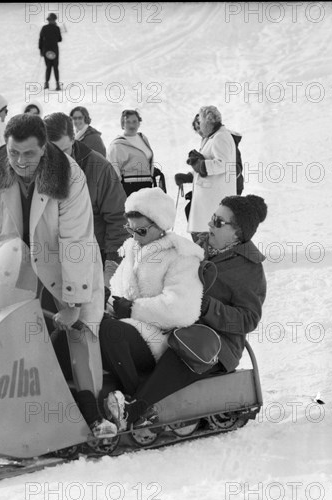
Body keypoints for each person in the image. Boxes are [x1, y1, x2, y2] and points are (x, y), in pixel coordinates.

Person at [0, 114, 116, 438]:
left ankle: (94, 418)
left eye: (29, 154)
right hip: (16, 268)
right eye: (13, 153)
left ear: (44, 148)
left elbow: (75, 240)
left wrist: (74, 299)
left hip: (65, 268)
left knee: (79, 337)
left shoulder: (68, 176)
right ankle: (22, 419)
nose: (20, 161)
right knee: (16, 342)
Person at [105, 194, 268, 431]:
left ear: (238, 232)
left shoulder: (249, 269)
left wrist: (205, 305)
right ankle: (127, 396)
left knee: (184, 350)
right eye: (213, 218)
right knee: (121, 334)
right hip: (177, 324)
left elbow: (248, 319)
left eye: (220, 222)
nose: (210, 224)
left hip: (215, 344)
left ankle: (137, 409)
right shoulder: (196, 246)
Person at [98, 187, 205, 427]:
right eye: (130, 229)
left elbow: (181, 310)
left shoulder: (181, 256)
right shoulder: (132, 250)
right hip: (132, 327)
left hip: (162, 338)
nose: (135, 236)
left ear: (160, 225)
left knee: (109, 332)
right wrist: (106, 302)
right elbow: (118, 291)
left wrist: (133, 309)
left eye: (142, 230)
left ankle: (139, 404)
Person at [43, 112, 128, 276]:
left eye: (64, 150)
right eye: (51, 152)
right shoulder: (32, 166)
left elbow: (119, 217)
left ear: (74, 139)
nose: (59, 159)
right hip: (47, 260)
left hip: (91, 260)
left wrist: (112, 263)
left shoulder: (99, 168)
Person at [186, 105, 237, 239]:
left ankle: (209, 258)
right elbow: (208, 161)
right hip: (208, 198)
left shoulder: (221, 137)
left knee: (210, 234)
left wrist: (201, 165)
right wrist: (188, 176)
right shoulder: (212, 137)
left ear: (208, 122)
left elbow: (223, 163)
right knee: (205, 234)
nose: (200, 126)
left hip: (214, 198)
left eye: (201, 122)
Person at [107, 109, 156, 197]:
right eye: (128, 122)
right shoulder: (116, 145)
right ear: (122, 124)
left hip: (147, 186)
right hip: (129, 189)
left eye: (134, 121)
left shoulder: (143, 138)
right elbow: (114, 171)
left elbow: (147, 159)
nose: (131, 125)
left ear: (139, 123)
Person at [175, 113, 204, 223]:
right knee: (190, 210)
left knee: (192, 211)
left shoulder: (219, 140)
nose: (199, 131)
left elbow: (214, 167)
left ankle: (203, 240)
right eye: (197, 128)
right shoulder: (206, 142)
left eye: (200, 126)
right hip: (207, 191)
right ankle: (200, 240)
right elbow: (202, 169)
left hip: (219, 192)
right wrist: (188, 177)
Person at [38, 13, 62, 91]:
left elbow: (40, 40)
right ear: (54, 20)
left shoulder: (44, 28)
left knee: (48, 67)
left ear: (48, 20)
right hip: (54, 50)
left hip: (46, 50)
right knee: (55, 67)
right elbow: (59, 39)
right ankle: (57, 84)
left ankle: (46, 84)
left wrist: (41, 50)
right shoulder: (56, 28)